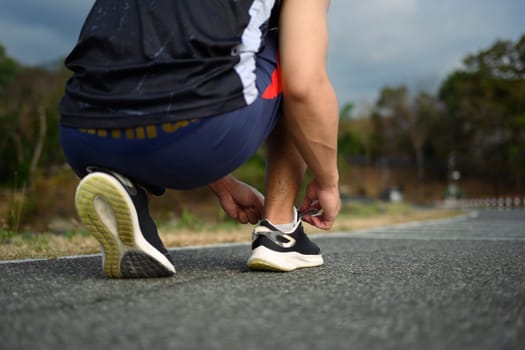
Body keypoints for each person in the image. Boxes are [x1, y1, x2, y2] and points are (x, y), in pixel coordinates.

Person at [60, 0, 340, 278]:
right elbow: (304, 86)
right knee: (291, 43)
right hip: (194, 138)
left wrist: (222, 183)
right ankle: (280, 231)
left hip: (81, 132)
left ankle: (127, 190)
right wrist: (327, 182)